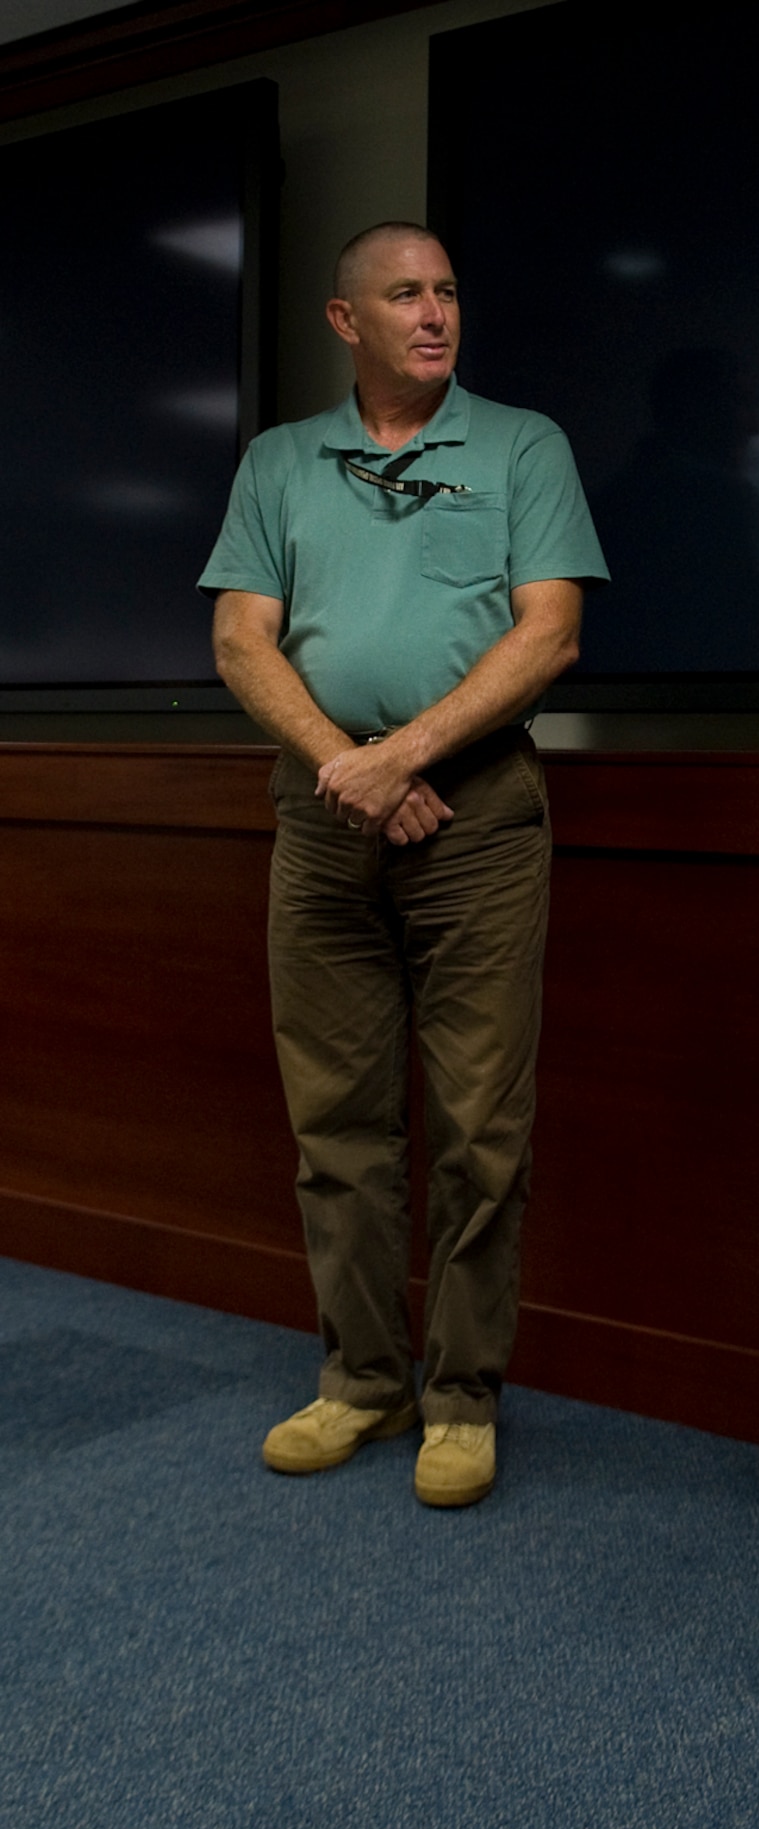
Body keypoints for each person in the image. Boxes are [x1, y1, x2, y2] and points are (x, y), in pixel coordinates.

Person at [200, 221, 607, 1508]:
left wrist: (408, 756)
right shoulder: (278, 463)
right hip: (324, 826)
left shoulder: (521, 445)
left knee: (482, 1132)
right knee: (337, 1126)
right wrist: (352, 769)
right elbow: (239, 639)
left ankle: (462, 1397)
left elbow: (548, 637)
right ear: (346, 323)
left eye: (446, 291)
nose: (434, 313)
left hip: (476, 822)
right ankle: (360, 1382)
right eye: (404, 294)